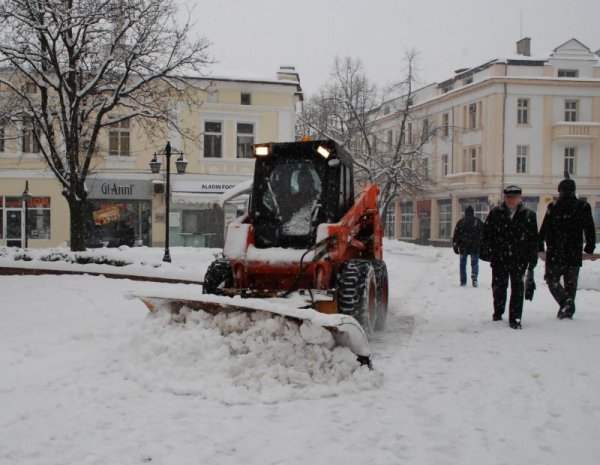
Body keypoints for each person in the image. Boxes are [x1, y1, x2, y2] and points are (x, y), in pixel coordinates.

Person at [480, 185, 539, 329]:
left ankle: (515, 318)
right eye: (508, 197)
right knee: (499, 287)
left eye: (513, 197)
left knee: (518, 289)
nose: (510, 200)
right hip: (500, 257)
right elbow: (487, 235)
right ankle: (498, 313)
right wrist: (488, 252)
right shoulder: (495, 213)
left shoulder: (529, 215)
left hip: (519, 259)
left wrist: (532, 260)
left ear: (520, 198)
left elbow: (533, 239)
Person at [538, 178, 596, 319]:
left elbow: (545, 228)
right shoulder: (583, 206)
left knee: (552, 280)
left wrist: (539, 244)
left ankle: (565, 303)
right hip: (573, 251)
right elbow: (589, 228)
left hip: (555, 250)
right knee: (571, 283)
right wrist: (589, 246)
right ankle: (567, 309)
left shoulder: (553, 206)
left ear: (560, 190)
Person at [452, 206, 483, 287]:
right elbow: (484, 234)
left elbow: (456, 235)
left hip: (463, 247)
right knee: (475, 264)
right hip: (475, 247)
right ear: (473, 213)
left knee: (462, 265)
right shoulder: (478, 221)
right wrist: (482, 244)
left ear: (465, 213)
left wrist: (455, 245)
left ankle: (463, 281)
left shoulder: (461, 222)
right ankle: (474, 276)